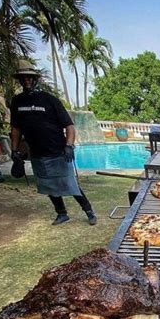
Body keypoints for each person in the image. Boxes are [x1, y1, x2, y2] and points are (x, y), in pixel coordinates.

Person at [10, 59, 97, 226]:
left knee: (70, 184)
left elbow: (69, 126)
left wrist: (69, 146)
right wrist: (14, 151)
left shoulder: (49, 100)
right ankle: (62, 213)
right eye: (23, 78)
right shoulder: (17, 102)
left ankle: (89, 211)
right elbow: (16, 128)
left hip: (58, 151)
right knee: (49, 186)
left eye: (29, 77)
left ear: (35, 79)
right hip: (36, 152)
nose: (26, 80)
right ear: (20, 81)